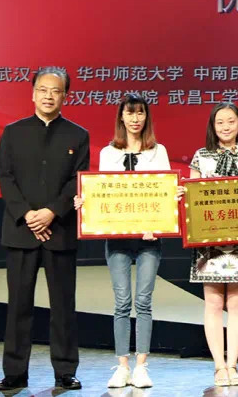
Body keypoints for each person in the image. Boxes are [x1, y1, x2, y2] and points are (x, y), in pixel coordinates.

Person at [73, 93, 180, 389]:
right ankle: (122, 366)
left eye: (140, 113)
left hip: (149, 238)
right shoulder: (109, 153)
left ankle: (142, 366)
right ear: (121, 117)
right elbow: (103, 193)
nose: (135, 118)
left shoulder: (158, 151)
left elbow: (164, 192)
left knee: (143, 301)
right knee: (122, 302)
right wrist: (86, 201)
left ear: (147, 117)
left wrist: (170, 204)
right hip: (117, 237)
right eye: (130, 113)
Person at [0, 66, 89, 391]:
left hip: (59, 231)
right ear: (33, 93)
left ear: (66, 96)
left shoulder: (78, 135)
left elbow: (77, 181)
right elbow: (6, 177)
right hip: (21, 232)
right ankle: (14, 372)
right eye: (43, 90)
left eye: (56, 91)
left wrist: (51, 213)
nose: (49, 96)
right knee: (18, 306)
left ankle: (65, 371)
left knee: (63, 307)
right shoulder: (13, 132)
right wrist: (28, 215)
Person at [187, 102, 238, 387]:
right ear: (213, 126)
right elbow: (193, 198)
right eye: (220, 122)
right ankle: (219, 367)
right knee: (213, 303)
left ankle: (233, 365)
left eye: (231, 121)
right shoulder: (201, 157)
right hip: (209, 241)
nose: (226, 127)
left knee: (236, 302)